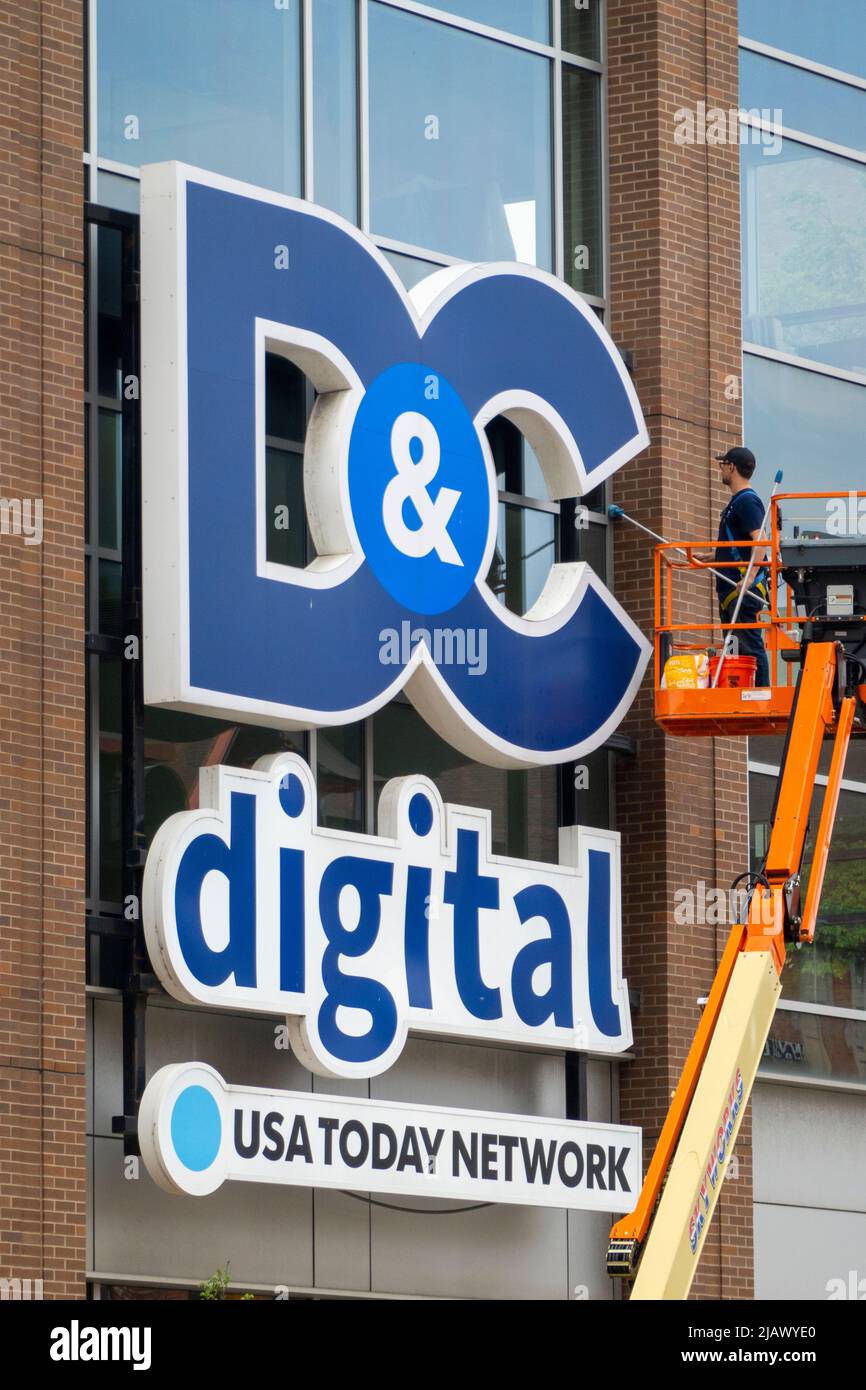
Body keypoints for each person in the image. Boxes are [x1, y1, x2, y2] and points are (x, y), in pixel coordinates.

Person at [710, 446, 770, 687]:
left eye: (722, 464)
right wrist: (712, 557)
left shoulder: (747, 502)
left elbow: (761, 543)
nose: (720, 468)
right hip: (732, 590)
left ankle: (762, 693)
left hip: (743, 590)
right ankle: (742, 691)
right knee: (736, 648)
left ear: (731, 467)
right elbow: (739, 546)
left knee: (750, 645)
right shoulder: (737, 503)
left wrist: (749, 578)